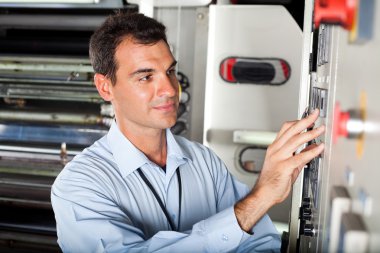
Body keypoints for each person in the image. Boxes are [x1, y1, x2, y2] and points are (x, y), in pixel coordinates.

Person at [51, 11, 325, 252]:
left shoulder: (203, 161)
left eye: (169, 71)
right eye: (146, 77)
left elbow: (260, 242)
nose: (170, 89)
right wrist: (260, 197)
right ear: (105, 87)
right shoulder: (78, 186)